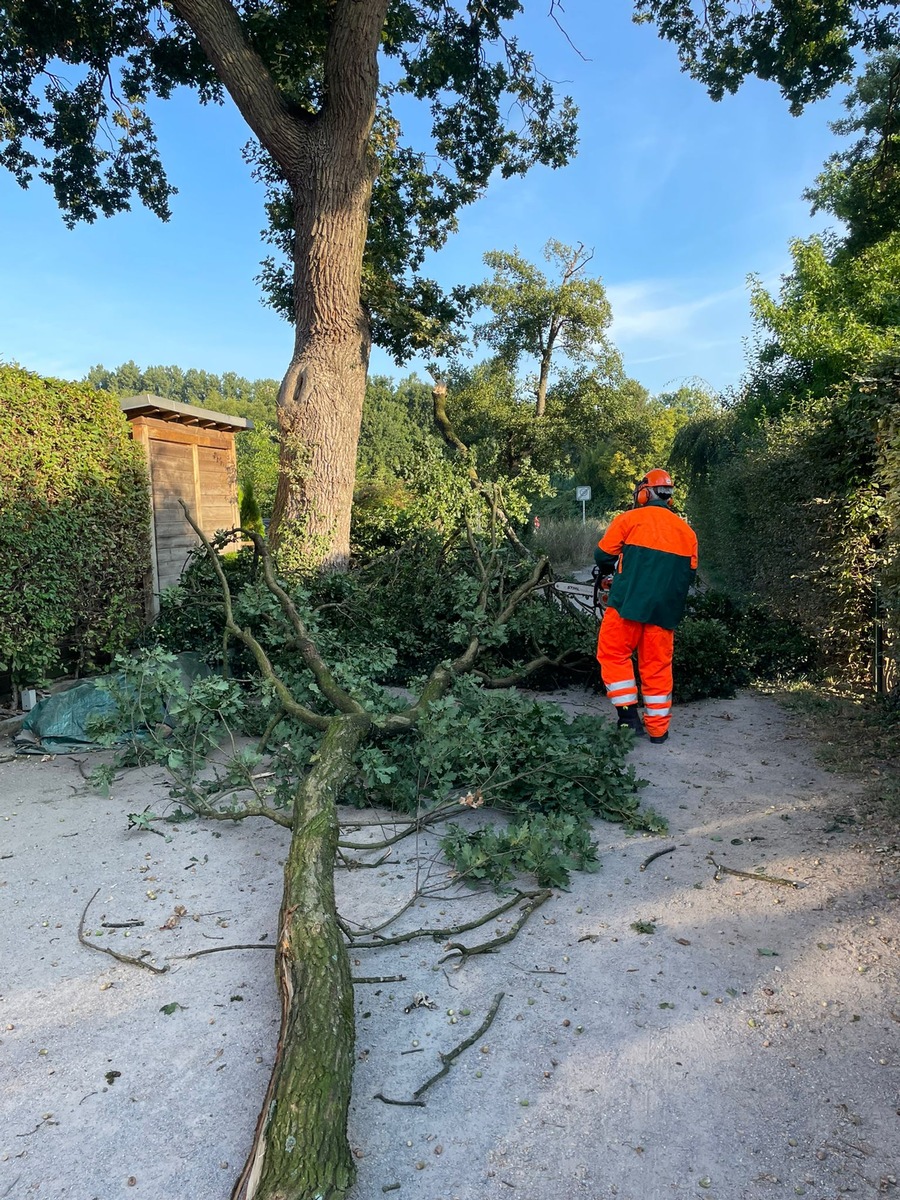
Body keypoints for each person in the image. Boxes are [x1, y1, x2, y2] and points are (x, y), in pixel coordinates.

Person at [594, 469, 698, 744]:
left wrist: (612, 572)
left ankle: (628, 719)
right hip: (663, 613)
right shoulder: (687, 532)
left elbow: (603, 555)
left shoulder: (629, 519)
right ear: (669, 498)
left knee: (614, 654)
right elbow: (690, 573)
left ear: (644, 493)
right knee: (657, 666)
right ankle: (658, 731)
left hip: (626, 605)